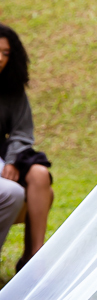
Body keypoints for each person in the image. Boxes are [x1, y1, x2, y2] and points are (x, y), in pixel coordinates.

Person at [0, 24, 54, 273]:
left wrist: (12, 160)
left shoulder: (12, 89)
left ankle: (33, 261)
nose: (1, 58)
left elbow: (22, 131)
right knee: (17, 193)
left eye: (6, 53)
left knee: (40, 174)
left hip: (5, 155)